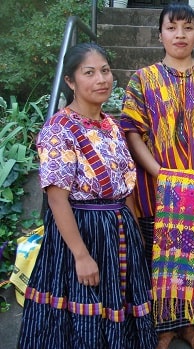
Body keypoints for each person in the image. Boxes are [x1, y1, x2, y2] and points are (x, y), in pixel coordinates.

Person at [17, 43, 157, 348]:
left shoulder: (112, 126)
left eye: (105, 71)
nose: (101, 79)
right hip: (83, 232)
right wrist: (81, 256)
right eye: (89, 73)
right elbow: (57, 199)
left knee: (119, 304)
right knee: (83, 308)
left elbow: (126, 181)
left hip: (119, 230)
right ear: (70, 81)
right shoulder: (59, 130)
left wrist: (133, 227)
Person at [120, 4, 194, 349]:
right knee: (163, 257)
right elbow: (131, 132)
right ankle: (165, 326)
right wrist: (161, 175)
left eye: (187, 28)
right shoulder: (141, 79)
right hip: (158, 189)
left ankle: (190, 326)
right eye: (172, 28)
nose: (180, 35)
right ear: (160, 35)